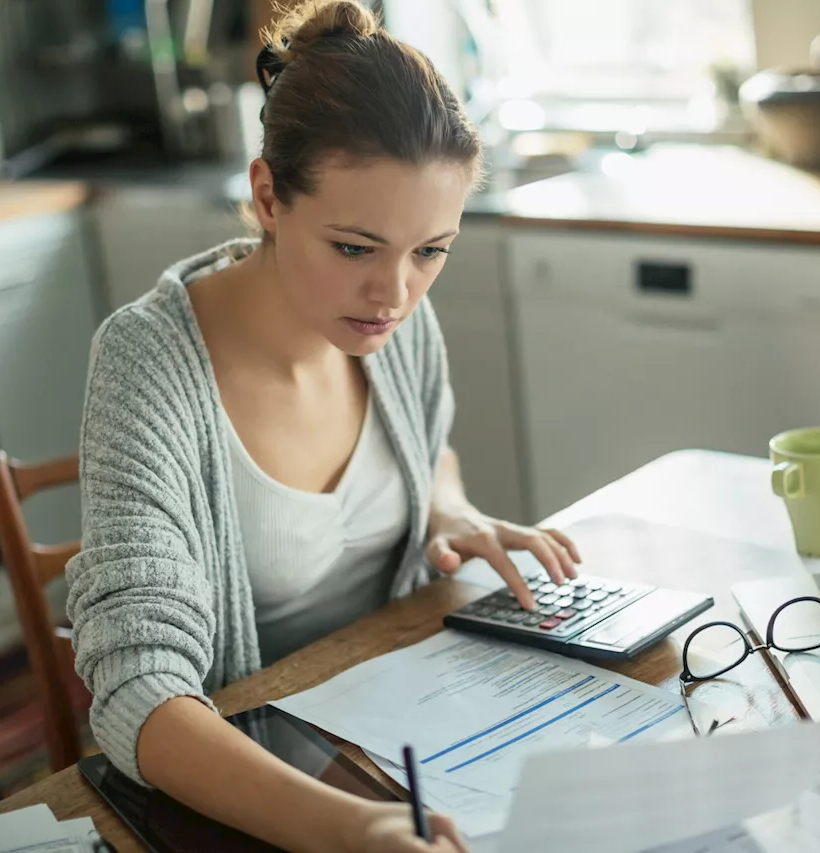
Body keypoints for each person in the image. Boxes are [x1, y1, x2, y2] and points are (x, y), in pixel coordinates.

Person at [65, 2, 581, 850]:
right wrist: (349, 831)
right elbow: (138, 693)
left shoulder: (394, 323)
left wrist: (447, 506)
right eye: (354, 248)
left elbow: (424, 447)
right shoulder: (148, 363)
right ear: (268, 196)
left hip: (397, 746)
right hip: (261, 801)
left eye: (430, 251)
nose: (395, 293)